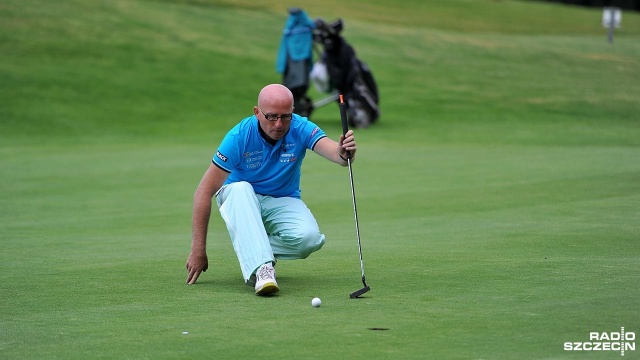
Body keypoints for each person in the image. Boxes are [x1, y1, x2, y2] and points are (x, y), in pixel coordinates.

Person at [185, 84, 357, 295]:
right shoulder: (239, 136)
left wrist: (344, 152)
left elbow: (337, 156)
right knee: (241, 189)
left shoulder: (300, 127)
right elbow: (203, 191)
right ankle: (263, 269)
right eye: (272, 116)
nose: (279, 124)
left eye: (285, 117)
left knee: (309, 239)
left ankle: (250, 244)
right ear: (257, 112)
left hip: (283, 198)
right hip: (240, 201)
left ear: (293, 112)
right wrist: (198, 249)